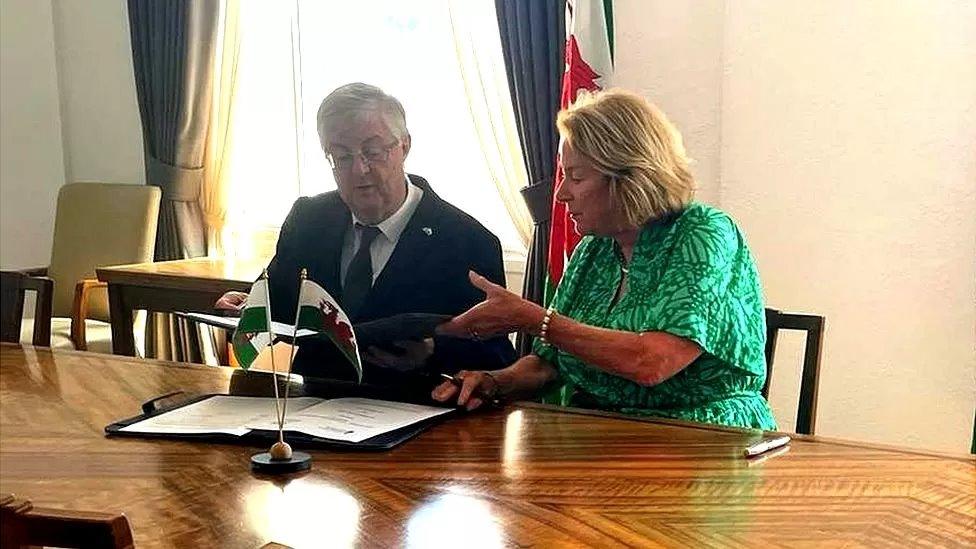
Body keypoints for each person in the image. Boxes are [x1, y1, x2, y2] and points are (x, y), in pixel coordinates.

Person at [433, 89, 776, 430]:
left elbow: (652, 363)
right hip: (600, 431)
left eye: (577, 177)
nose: (562, 193)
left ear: (630, 176)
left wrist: (535, 320)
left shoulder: (703, 232)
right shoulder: (594, 249)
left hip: (701, 438)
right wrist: (492, 382)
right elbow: (547, 364)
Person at [216, 83, 515, 388]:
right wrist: (247, 307)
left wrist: (432, 353)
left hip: (419, 411)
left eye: (373, 152)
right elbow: (278, 297)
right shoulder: (309, 219)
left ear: (405, 146)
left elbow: (496, 355)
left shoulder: (467, 241)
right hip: (315, 408)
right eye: (342, 157)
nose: (360, 169)